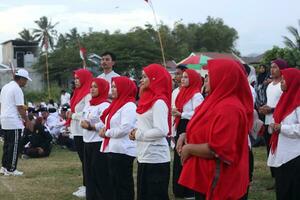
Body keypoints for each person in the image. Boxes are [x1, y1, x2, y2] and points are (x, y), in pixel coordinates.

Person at [177, 59, 253, 200]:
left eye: (210, 76)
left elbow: (219, 148)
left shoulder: (229, 108)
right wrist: (185, 134)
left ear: (223, 78)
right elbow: (204, 127)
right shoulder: (214, 101)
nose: (206, 80)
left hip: (220, 184)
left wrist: (189, 148)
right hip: (207, 179)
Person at [129, 64, 172, 200]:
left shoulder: (159, 102)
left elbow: (162, 130)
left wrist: (139, 134)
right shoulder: (147, 99)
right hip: (144, 155)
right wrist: (136, 132)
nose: (141, 80)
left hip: (156, 158)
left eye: (145, 77)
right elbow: (145, 124)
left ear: (155, 78)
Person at [99, 76, 137, 200]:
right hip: (114, 148)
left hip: (123, 150)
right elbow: (110, 123)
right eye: (112, 86)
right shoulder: (116, 104)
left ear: (124, 88)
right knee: (115, 184)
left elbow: (125, 128)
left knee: (123, 184)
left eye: (115, 87)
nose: (113, 89)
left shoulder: (129, 106)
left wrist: (107, 133)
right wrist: (104, 129)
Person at [267, 68, 300, 200]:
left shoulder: (298, 103)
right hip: (282, 154)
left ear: (294, 81)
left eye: (284, 79)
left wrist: (282, 128)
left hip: (294, 156)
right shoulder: (284, 100)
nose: (281, 82)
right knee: (282, 191)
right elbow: (277, 120)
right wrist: (273, 127)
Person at [172, 69, 204, 199]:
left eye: (186, 77)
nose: (183, 79)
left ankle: (189, 191)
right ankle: (180, 190)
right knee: (179, 156)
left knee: (187, 158)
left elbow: (199, 113)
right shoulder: (182, 93)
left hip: (189, 127)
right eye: (182, 77)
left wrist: (181, 114)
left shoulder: (196, 95)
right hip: (180, 126)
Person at [80, 78, 111, 200]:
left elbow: (105, 124)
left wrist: (91, 126)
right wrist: (85, 123)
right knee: (89, 174)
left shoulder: (105, 105)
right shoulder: (89, 103)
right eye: (91, 86)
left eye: (95, 87)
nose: (92, 89)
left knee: (100, 173)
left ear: (102, 88)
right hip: (87, 142)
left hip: (98, 142)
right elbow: (83, 118)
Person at [258, 59, 287, 184]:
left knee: (279, 148)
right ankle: (274, 175)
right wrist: (264, 108)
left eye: (275, 67)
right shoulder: (269, 85)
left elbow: (285, 105)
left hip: (279, 122)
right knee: (270, 148)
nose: (272, 69)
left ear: (282, 69)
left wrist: (272, 110)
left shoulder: (284, 85)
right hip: (268, 121)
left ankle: (281, 175)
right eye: (271, 67)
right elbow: (270, 102)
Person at [0, 69, 32, 176]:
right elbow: (20, 108)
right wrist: (27, 121)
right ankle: (11, 169)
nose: (26, 82)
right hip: (13, 120)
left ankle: (4, 167)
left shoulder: (5, 87)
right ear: (21, 79)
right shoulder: (17, 89)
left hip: (4, 119)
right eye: (26, 80)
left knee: (7, 145)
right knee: (14, 145)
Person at [66, 69, 93, 198]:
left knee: (86, 161)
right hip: (77, 131)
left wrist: (73, 115)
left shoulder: (88, 94)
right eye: (75, 78)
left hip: (83, 132)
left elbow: (87, 113)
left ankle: (88, 186)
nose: (76, 81)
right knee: (84, 160)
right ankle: (86, 184)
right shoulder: (77, 93)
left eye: (78, 78)